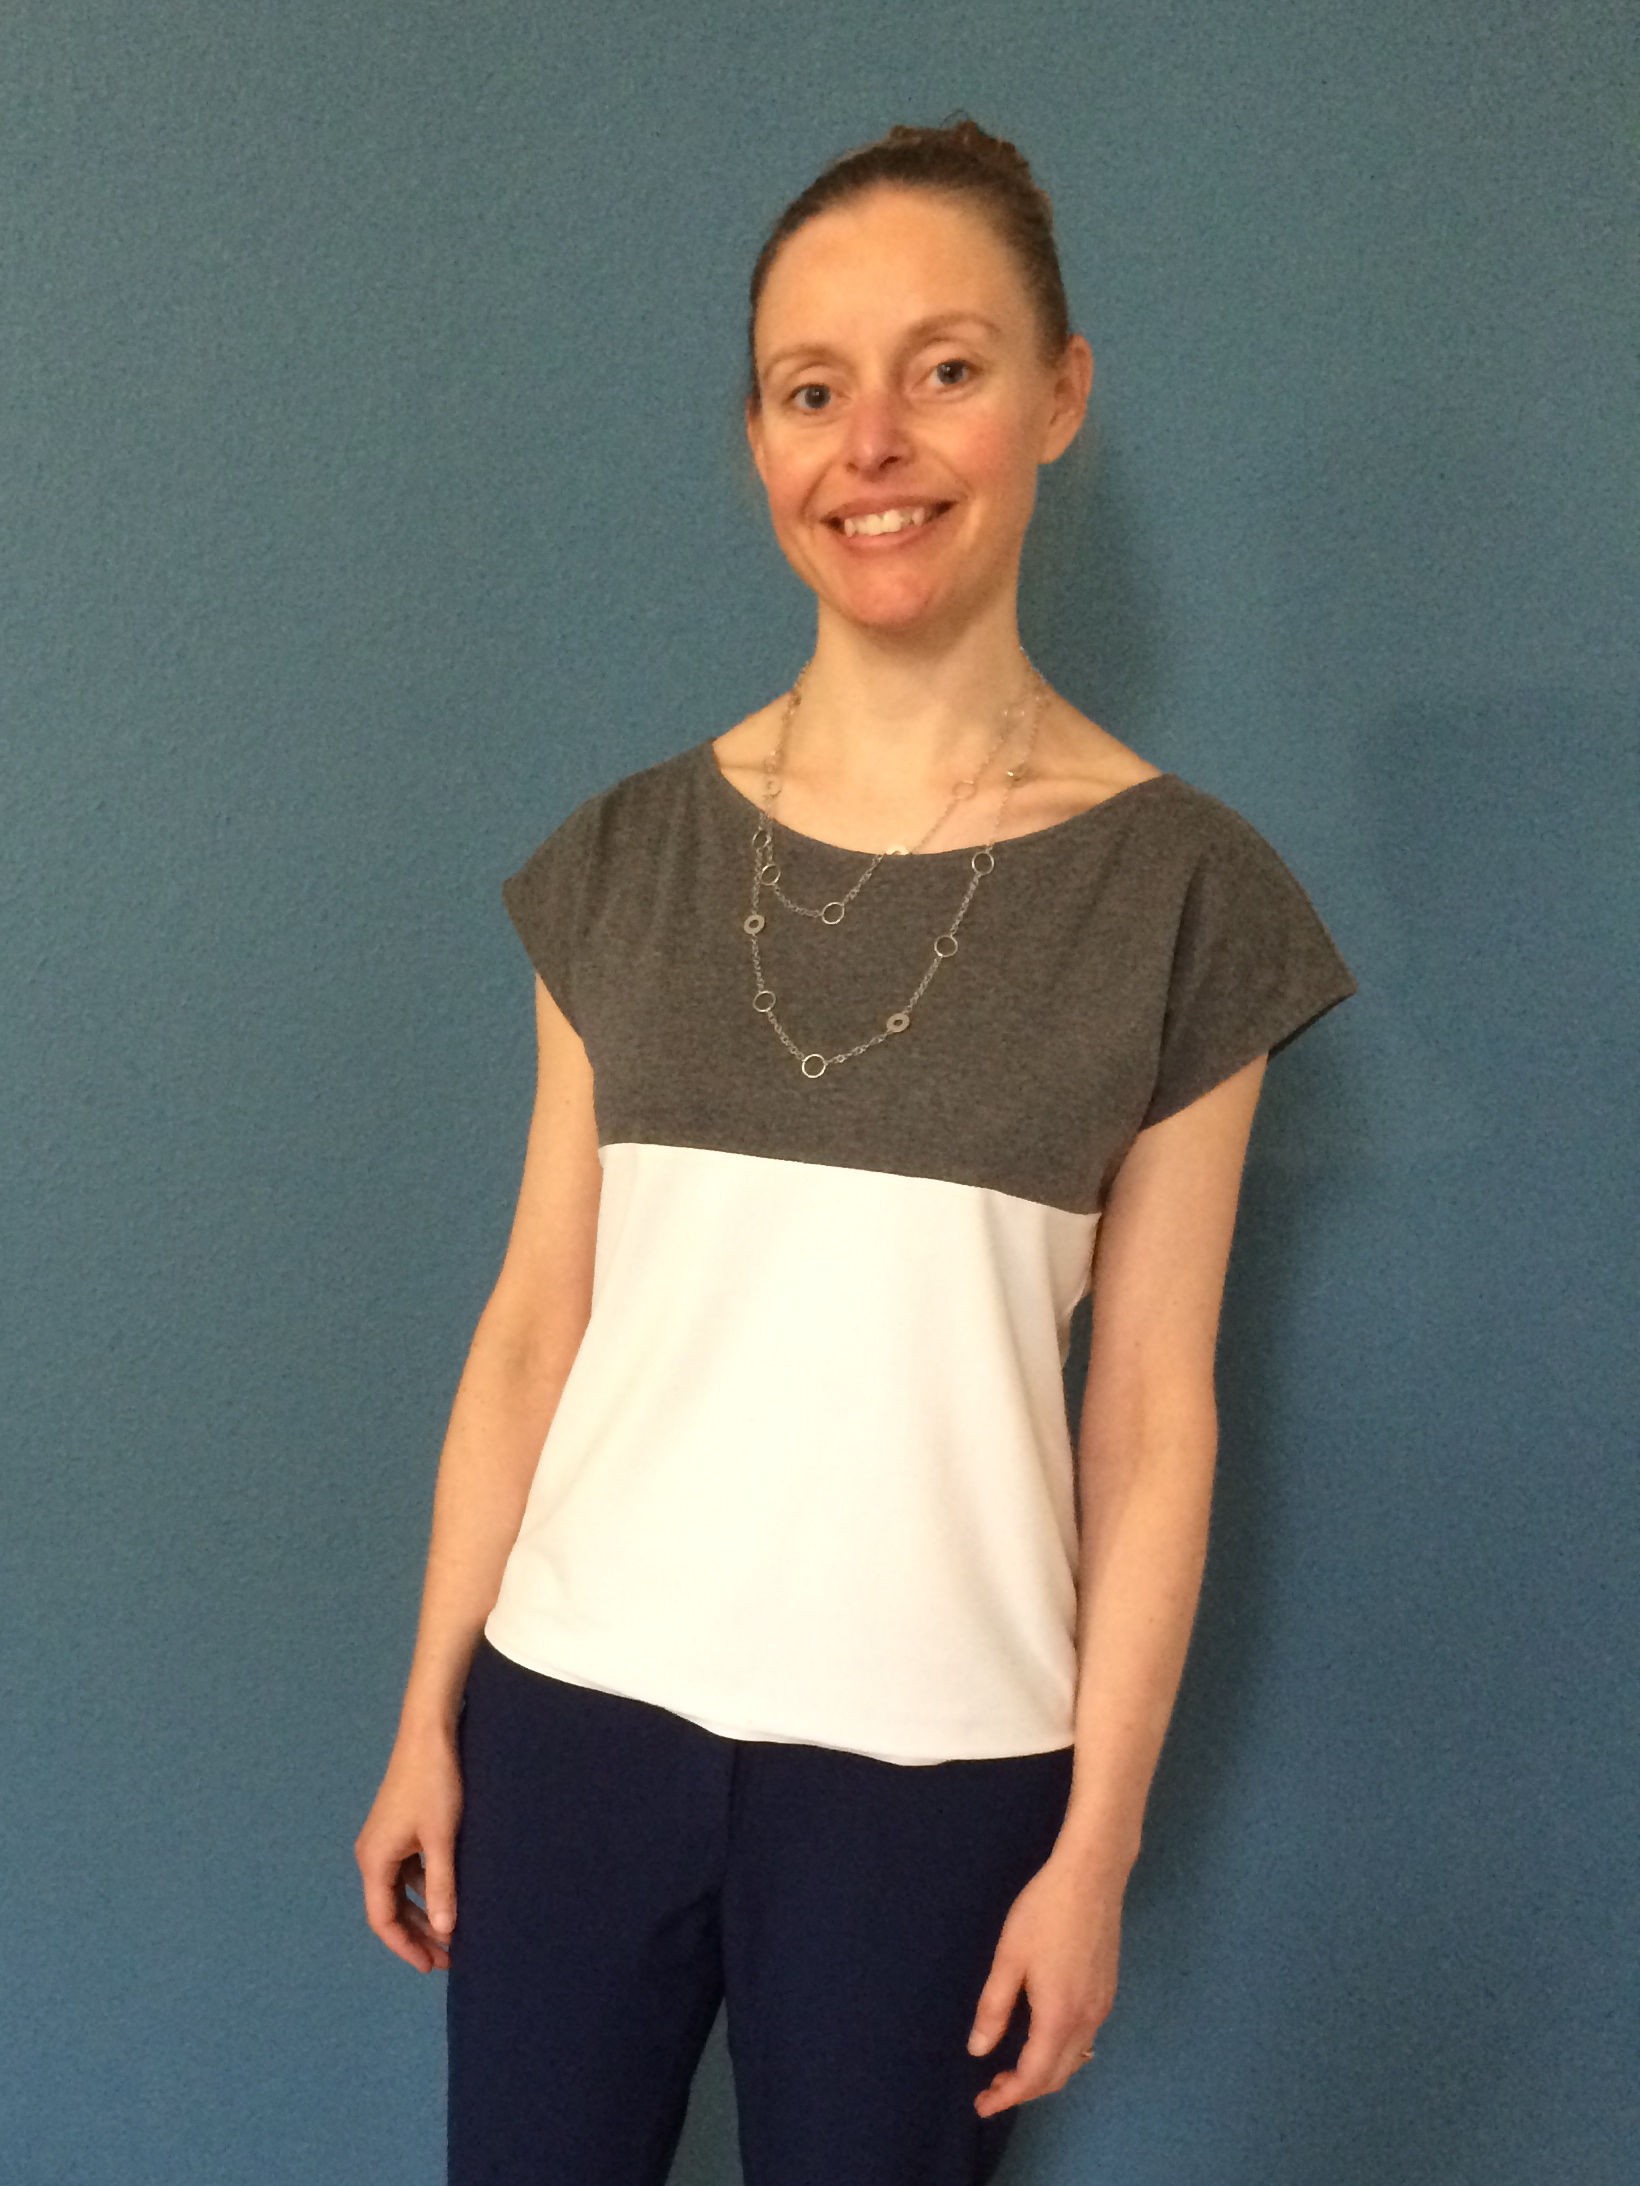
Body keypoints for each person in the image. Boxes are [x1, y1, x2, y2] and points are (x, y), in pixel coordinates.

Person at [355, 118, 1357, 2186]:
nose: (873, 444)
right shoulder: (622, 859)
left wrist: (1094, 1846)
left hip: (937, 1778)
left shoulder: (1187, 897)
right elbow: (536, 1322)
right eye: (814, 390)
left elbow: (1152, 1416)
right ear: (759, 440)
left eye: (945, 369)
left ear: (1058, 394)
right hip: (571, 1725)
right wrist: (428, 1714)